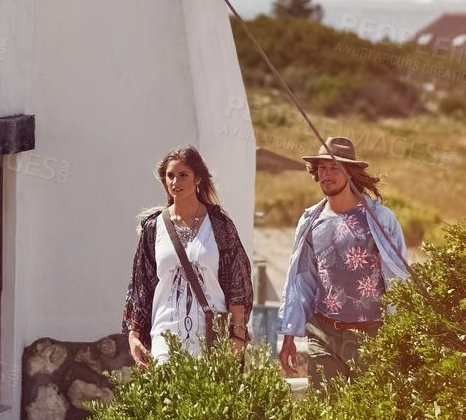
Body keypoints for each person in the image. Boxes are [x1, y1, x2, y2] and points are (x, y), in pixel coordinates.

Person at [277, 137, 411, 389]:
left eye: (334, 168)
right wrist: (289, 335)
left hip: (371, 335)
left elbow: (400, 278)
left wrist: (403, 333)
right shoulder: (310, 221)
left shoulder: (380, 219)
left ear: (350, 172)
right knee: (326, 415)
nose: (326, 175)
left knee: (371, 417)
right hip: (323, 333)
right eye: (321, 168)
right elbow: (301, 280)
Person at [123, 147, 253, 366]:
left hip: (212, 334)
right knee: (167, 398)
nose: (176, 182)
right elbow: (141, 285)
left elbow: (238, 285)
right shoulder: (153, 227)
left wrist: (238, 335)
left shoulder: (221, 226)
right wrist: (134, 334)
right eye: (170, 176)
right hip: (165, 332)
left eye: (183, 175)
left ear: (198, 179)